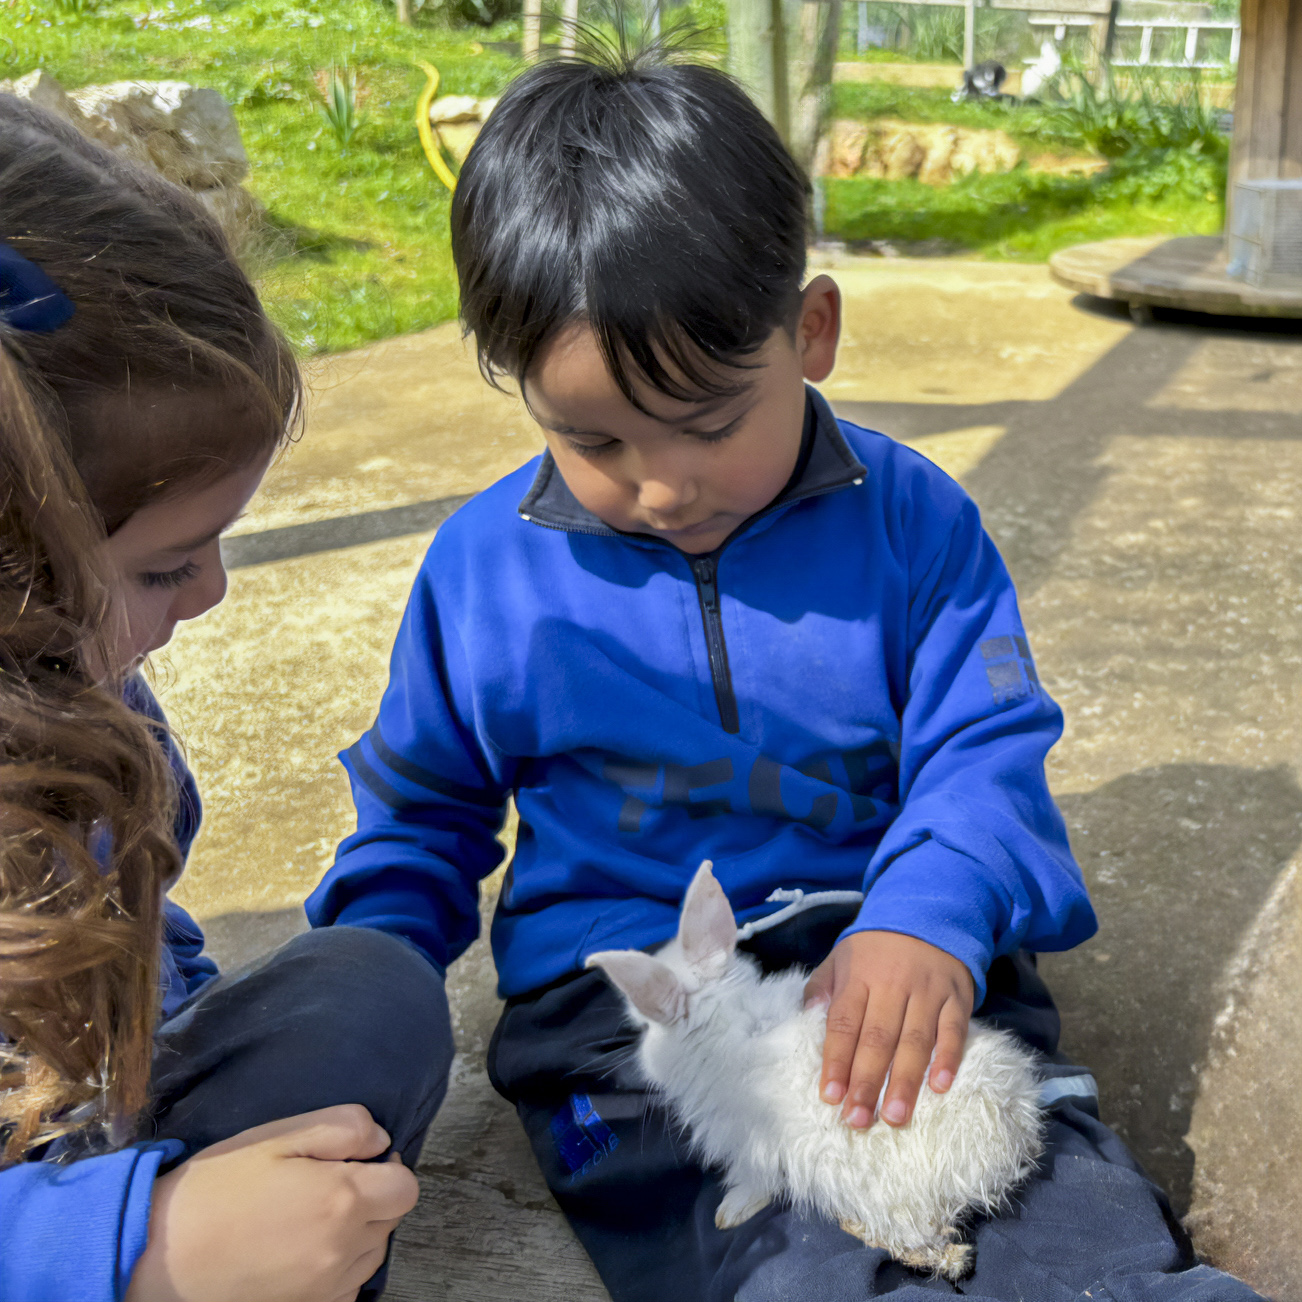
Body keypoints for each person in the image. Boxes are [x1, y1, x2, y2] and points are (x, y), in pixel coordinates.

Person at [306, 45, 1262, 1302]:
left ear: (809, 331)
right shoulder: (483, 570)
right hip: (629, 1022)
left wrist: (930, 915)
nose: (660, 484)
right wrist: (358, 993)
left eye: (707, 422)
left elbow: (983, 751)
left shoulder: (915, 522)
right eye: (589, 439)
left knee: (1055, 1208)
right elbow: (421, 817)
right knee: (774, 1248)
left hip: (880, 953)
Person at [0, 96, 452, 1302]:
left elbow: (148, 959)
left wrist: (202, 1188)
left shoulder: (91, 703)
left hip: (75, 1142)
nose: (211, 591)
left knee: (366, 991)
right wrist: (136, 1249)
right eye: (163, 563)